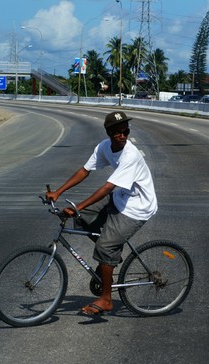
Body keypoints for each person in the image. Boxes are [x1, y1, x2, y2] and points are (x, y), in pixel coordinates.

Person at [46, 111, 158, 316]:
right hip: (121, 198)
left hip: (138, 207)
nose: (122, 135)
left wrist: (77, 205)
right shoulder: (104, 147)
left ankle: (106, 299)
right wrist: (58, 192)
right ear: (109, 132)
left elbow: (106, 188)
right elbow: (85, 170)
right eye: (117, 131)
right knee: (81, 219)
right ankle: (110, 258)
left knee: (105, 246)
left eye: (126, 131)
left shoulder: (130, 155)